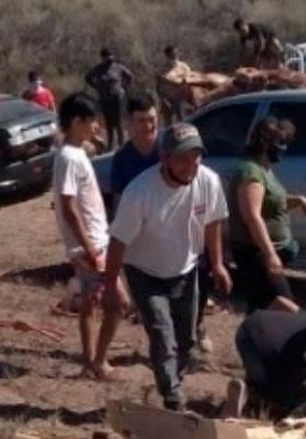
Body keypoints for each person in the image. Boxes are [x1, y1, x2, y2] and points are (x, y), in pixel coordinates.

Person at [103, 122, 232, 411]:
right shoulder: (140, 192)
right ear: (165, 159)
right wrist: (111, 285)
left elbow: (213, 222)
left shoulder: (207, 181)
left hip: (186, 269)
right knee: (162, 334)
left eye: (196, 157)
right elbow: (118, 241)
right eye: (183, 158)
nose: (191, 165)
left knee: (186, 339)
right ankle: (173, 397)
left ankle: (172, 380)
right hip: (145, 272)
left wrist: (218, 264)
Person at [53, 92, 126, 380]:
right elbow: (69, 207)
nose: (95, 127)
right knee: (116, 302)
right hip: (91, 243)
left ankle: (91, 361)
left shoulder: (73, 154)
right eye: (90, 121)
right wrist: (88, 247)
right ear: (75, 122)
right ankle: (98, 361)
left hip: (94, 240)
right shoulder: (70, 158)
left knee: (90, 301)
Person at [228, 117, 306, 314]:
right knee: (284, 306)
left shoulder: (264, 170)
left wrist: (298, 201)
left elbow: (269, 201)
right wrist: (270, 255)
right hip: (255, 254)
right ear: (265, 143)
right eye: (280, 143)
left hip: (264, 252)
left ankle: (254, 340)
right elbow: (252, 215)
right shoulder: (251, 172)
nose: (284, 148)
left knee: (261, 307)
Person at [110, 92, 160, 212]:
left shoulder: (169, 150)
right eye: (142, 121)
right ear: (130, 122)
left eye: (152, 119)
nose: (148, 126)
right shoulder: (122, 159)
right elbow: (118, 201)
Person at [85, 48, 135, 150]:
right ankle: (111, 145)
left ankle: (122, 144)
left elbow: (130, 76)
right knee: (109, 123)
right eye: (107, 56)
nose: (109, 58)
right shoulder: (98, 69)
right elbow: (88, 77)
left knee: (119, 121)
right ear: (102, 58)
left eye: (110, 55)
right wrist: (97, 86)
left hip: (117, 97)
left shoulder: (118, 67)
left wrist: (124, 88)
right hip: (105, 98)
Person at [157, 45, 193, 123]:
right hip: (167, 100)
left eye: (176, 53)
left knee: (182, 120)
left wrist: (173, 81)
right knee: (168, 123)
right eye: (172, 54)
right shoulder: (162, 70)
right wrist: (163, 100)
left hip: (181, 99)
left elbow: (189, 80)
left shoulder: (184, 67)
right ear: (167, 56)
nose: (175, 56)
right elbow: (158, 87)